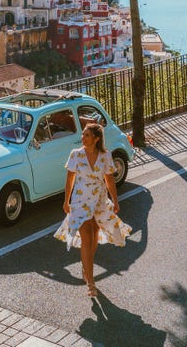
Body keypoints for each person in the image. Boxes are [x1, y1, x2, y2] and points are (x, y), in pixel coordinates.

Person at [54, 123, 132, 297]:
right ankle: (90, 282)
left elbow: (110, 180)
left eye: (87, 135)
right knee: (86, 237)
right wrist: (66, 201)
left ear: (96, 139)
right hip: (80, 202)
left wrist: (115, 201)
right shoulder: (75, 155)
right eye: (83, 134)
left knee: (94, 237)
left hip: (99, 200)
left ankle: (85, 266)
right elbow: (69, 181)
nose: (83, 137)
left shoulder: (105, 155)